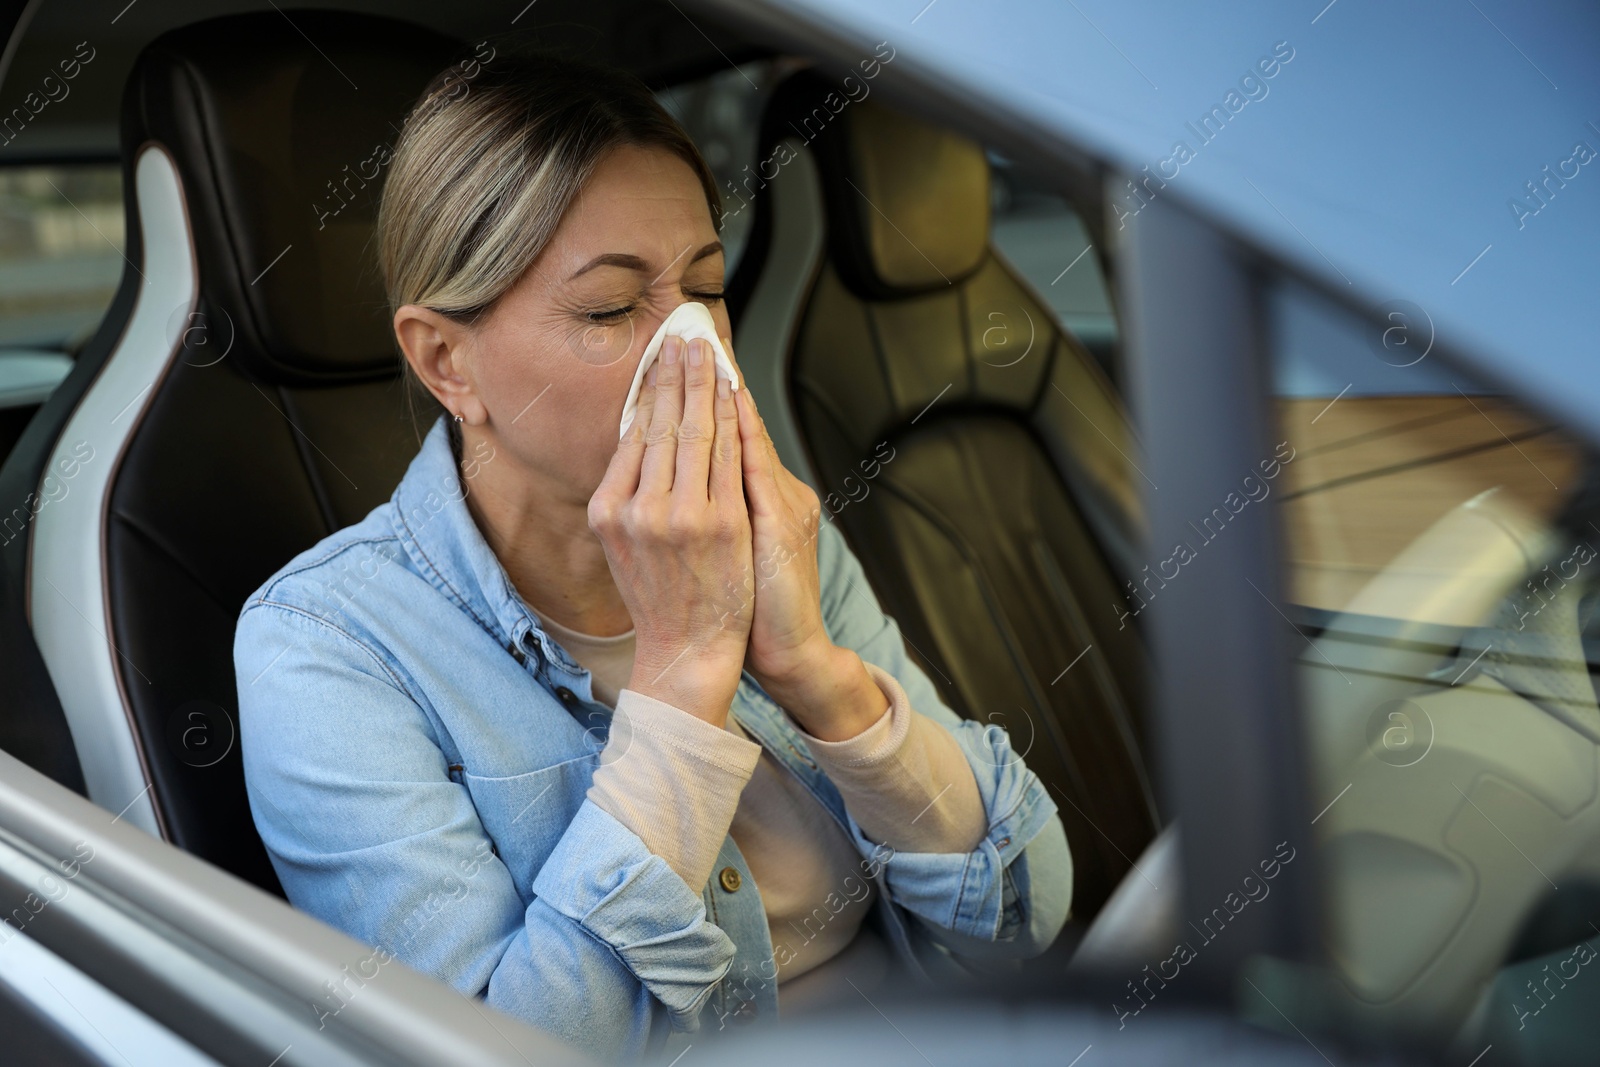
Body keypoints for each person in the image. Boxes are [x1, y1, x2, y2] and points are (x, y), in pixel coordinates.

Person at [234, 51, 1070, 1063]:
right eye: (609, 308)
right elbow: (502, 1050)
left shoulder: (780, 538)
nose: (693, 354)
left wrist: (813, 672)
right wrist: (681, 670)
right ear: (446, 361)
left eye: (705, 290)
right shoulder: (324, 646)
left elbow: (1024, 913)